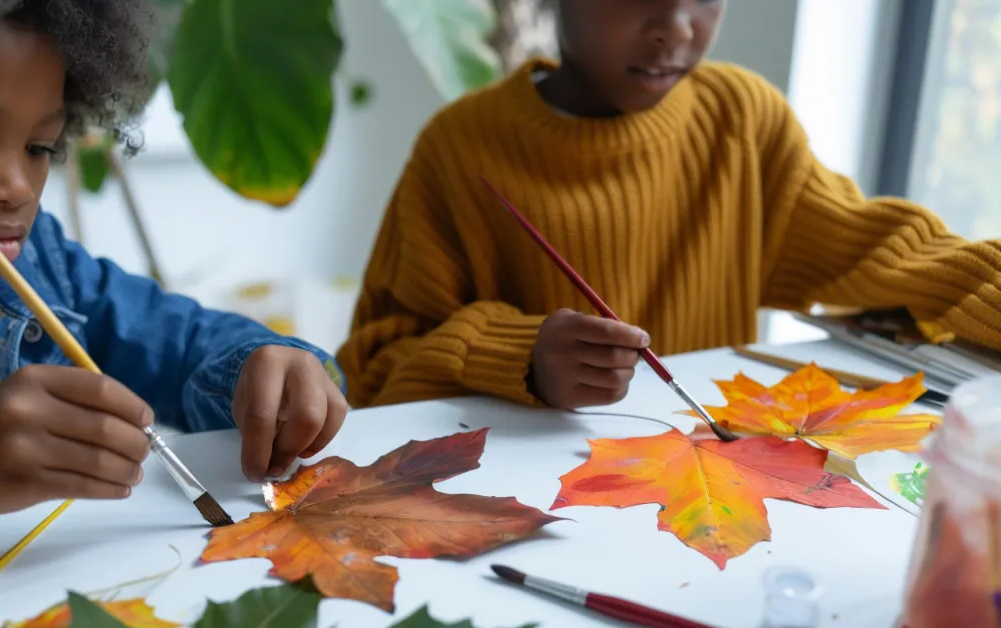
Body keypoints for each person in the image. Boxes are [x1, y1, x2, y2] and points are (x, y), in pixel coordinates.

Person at [0, 1, 348, 589]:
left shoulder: (46, 263)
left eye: (40, 147)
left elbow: (181, 339)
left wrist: (264, 372)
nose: (17, 188)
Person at [337, 0, 1001, 412]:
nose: (678, 28)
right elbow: (371, 372)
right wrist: (520, 358)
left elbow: (892, 254)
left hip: (706, 506)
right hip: (532, 514)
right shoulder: (462, 147)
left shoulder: (740, 120)